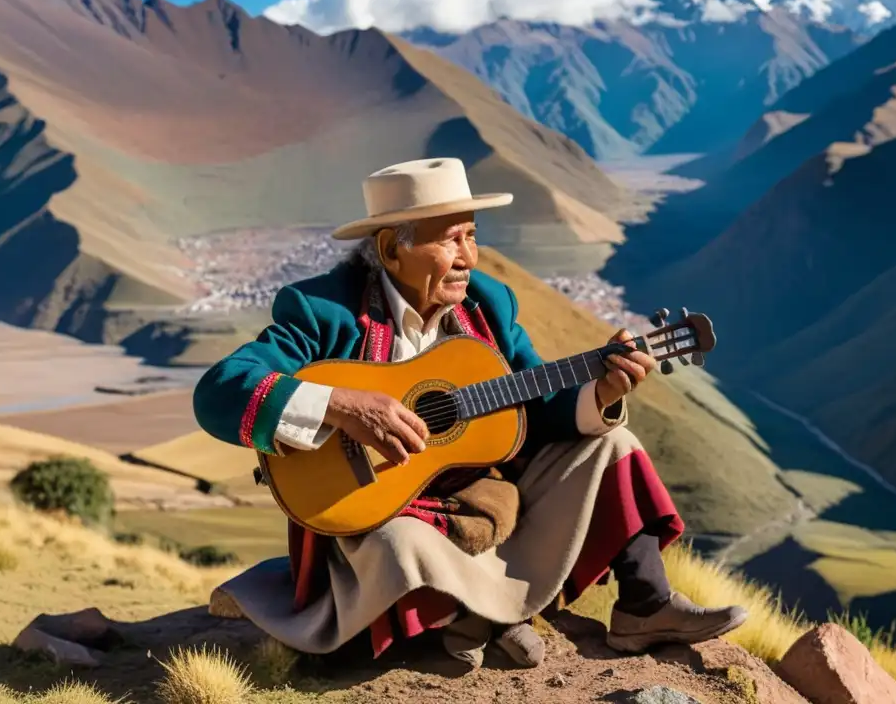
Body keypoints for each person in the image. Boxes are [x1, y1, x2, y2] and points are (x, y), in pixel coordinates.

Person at [193, 157, 747, 670]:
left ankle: (644, 606)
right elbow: (220, 390)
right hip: (378, 512)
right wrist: (341, 405)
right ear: (390, 250)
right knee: (400, 548)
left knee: (613, 442)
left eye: (472, 236)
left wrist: (599, 393)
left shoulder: (488, 304)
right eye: (450, 239)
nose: (467, 257)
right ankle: (480, 619)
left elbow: (534, 402)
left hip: (480, 501)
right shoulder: (325, 310)